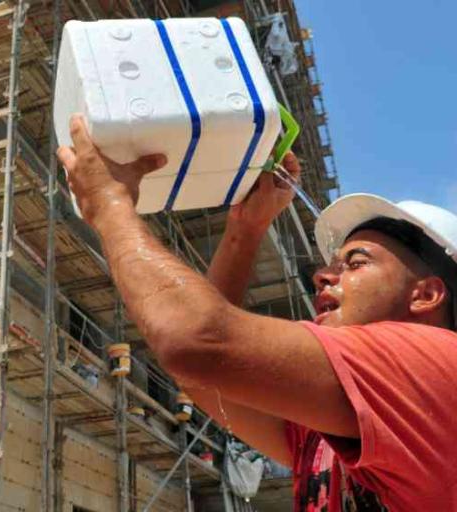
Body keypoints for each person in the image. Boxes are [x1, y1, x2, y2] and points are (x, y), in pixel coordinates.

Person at [57, 114, 457, 511]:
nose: (322, 275)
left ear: (425, 295)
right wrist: (245, 229)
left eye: (355, 263)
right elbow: (207, 379)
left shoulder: (439, 366)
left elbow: (196, 341)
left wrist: (110, 205)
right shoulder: (330, 432)